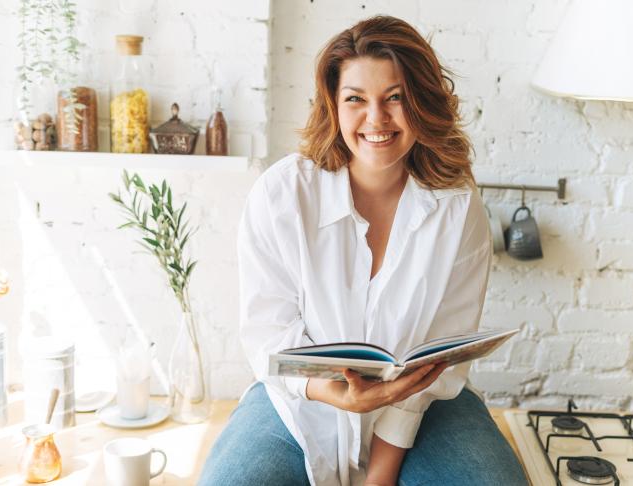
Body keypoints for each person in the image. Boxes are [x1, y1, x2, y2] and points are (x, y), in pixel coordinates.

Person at [199, 15, 528, 486]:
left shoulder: (458, 208)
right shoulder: (282, 195)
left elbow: (438, 360)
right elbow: (267, 332)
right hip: (300, 404)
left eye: (395, 98)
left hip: (425, 405)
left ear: (422, 103)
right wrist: (332, 393)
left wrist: (379, 476)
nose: (376, 119)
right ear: (334, 105)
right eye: (356, 99)